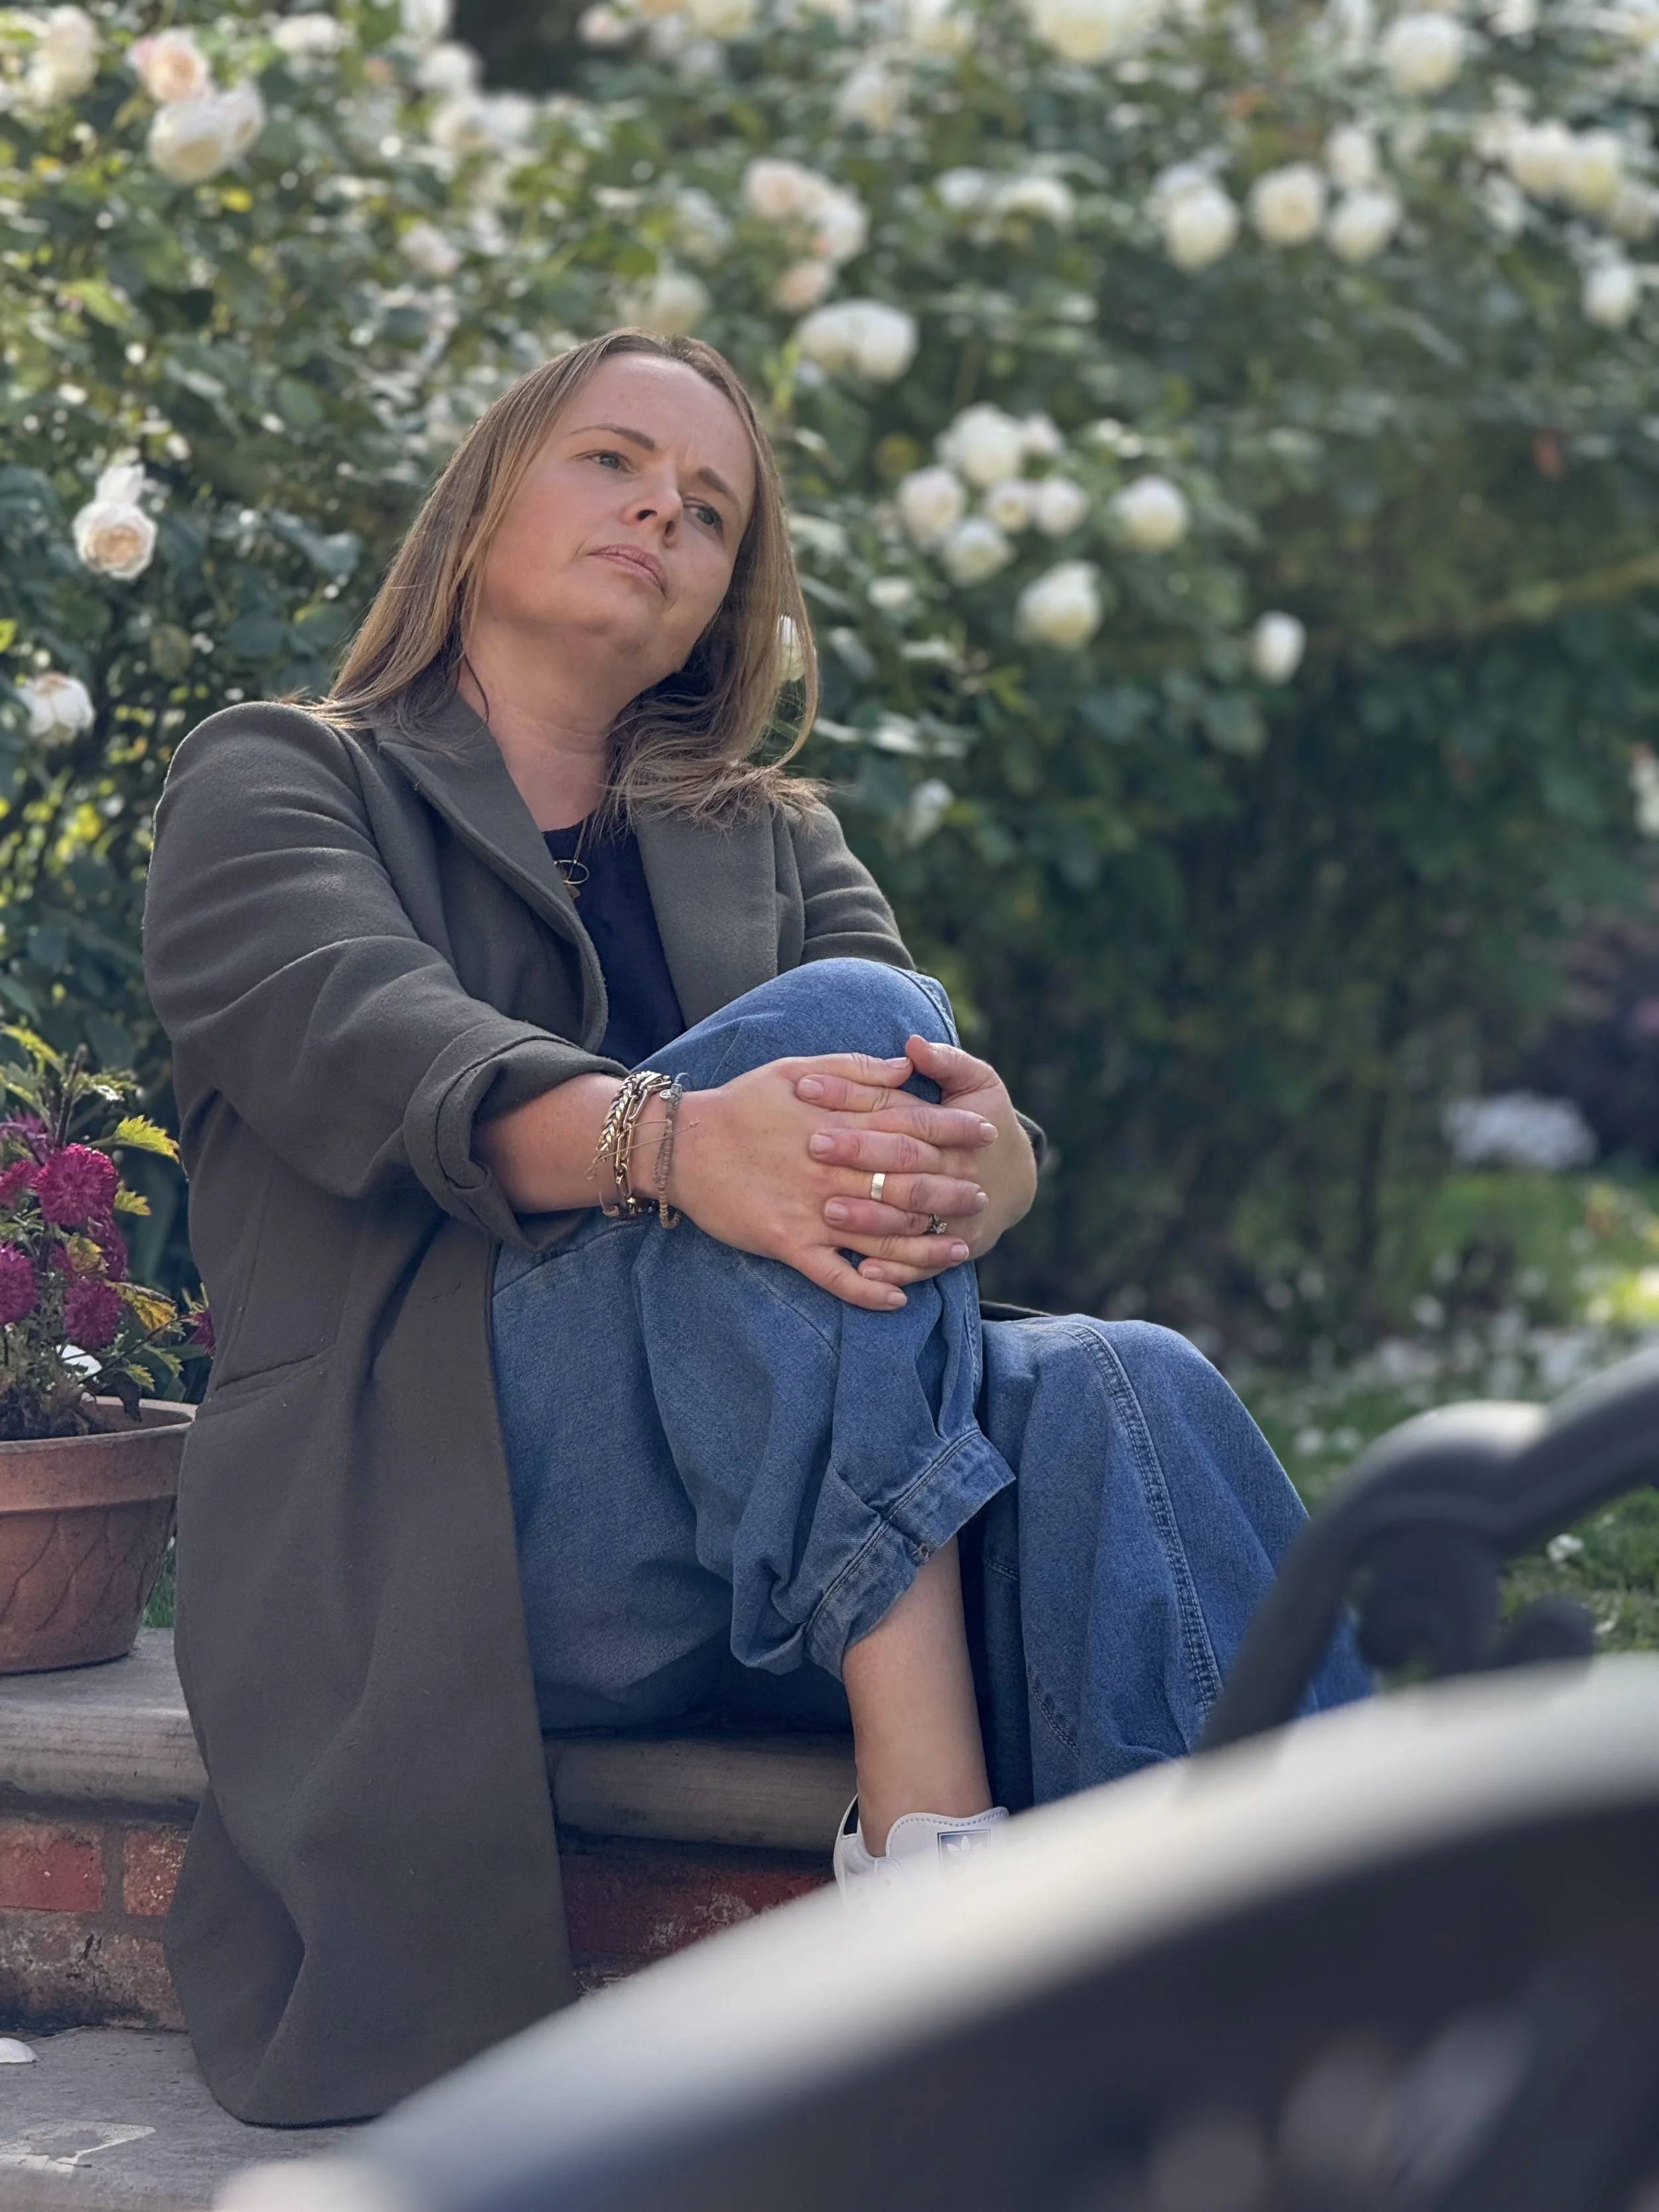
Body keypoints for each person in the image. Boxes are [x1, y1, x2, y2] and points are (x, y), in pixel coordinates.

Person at [142, 329, 1368, 2129]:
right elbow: (373, 1041)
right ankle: (928, 1859)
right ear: (486, 495)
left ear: (726, 597)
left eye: (708, 507)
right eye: (613, 461)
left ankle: (1344, 1988)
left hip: (769, 1530)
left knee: (1121, 1376)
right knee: (817, 1038)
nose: (660, 506)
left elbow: (942, 1097)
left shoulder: (759, 835)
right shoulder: (281, 780)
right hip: (453, 1516)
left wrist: (997, 1160)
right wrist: (672, 1144)